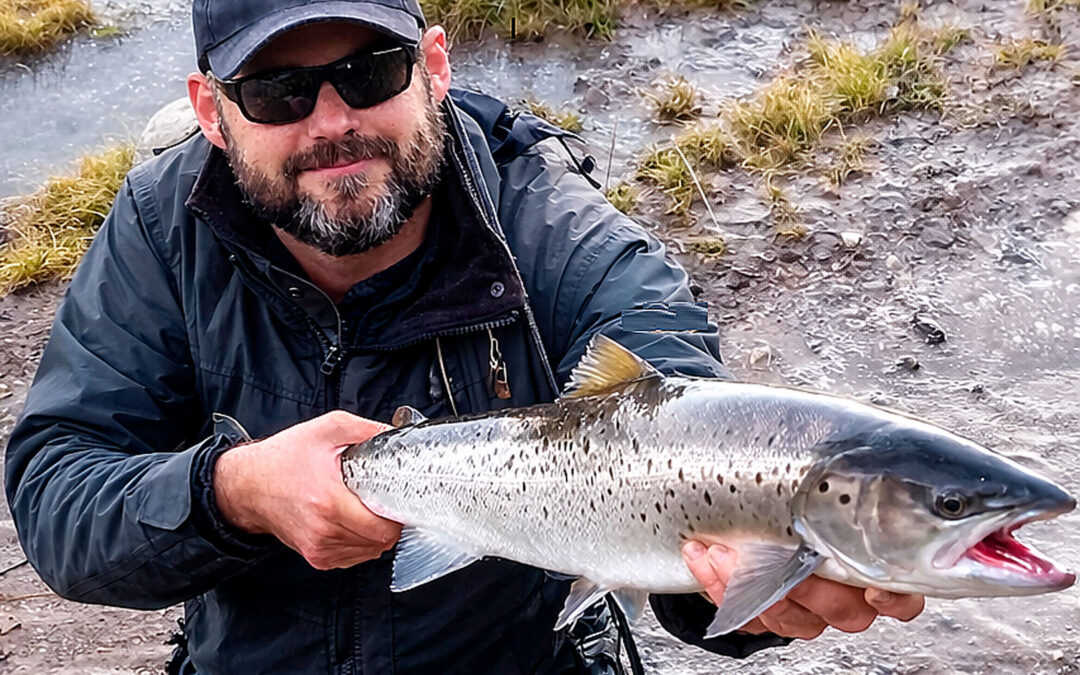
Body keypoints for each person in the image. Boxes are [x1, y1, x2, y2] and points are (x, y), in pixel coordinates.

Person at [4, 0, 924, 673]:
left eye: (370, 73)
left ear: (434, 69)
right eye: (278, 92)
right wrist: (233, 491)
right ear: (211, 112)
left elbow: (679, 403)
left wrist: (753, 589)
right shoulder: (161, 230)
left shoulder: (559, 232)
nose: (334, 123)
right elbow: (57, 497)